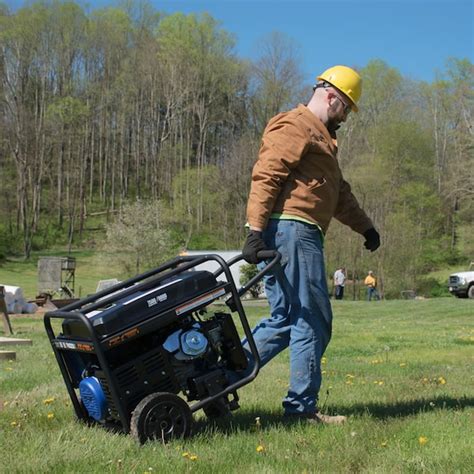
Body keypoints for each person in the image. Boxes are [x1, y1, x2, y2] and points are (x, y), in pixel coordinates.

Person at [241, 65, 380, 425]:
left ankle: (221, 380)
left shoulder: (321, 139)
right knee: (312, 319)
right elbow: (267, 173)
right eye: (346, 108)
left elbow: (339, 196)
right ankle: (301, 410)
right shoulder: (296, 125)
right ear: (331, 96)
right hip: (294, 231)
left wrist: (366, 228)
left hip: (297, 233)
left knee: (287, 320)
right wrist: (254, 230)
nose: (346, 117)